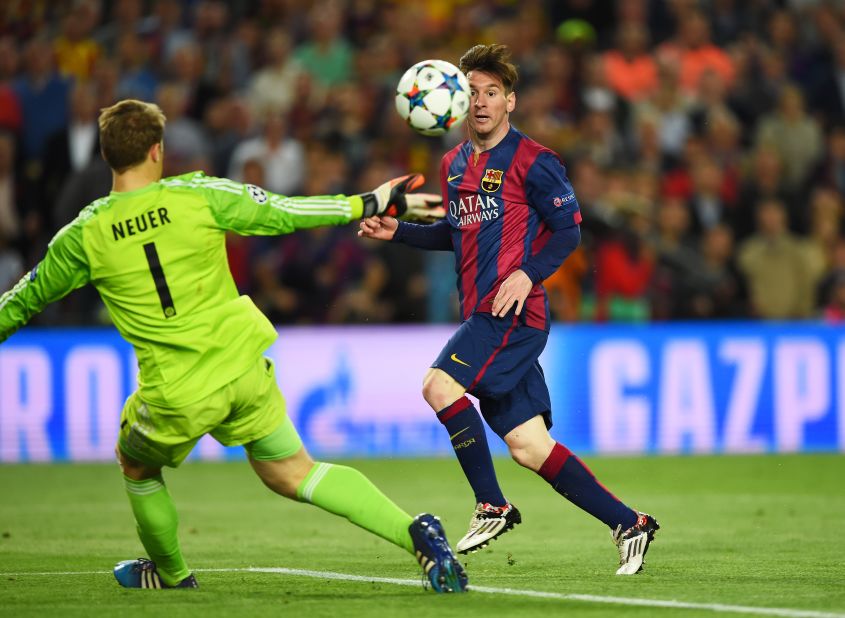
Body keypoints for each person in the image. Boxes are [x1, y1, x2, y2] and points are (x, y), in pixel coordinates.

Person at [0, 99, 466, 593]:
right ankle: (413, 531)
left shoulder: (84, 235)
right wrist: (367, 202)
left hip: (176, 390)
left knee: (136, 464)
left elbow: (23, 300)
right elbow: (285, 213)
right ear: (158, 150)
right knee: (295, 472)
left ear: (107, 154)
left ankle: (173, 574)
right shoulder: (199, 194)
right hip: (243, 365)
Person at [359, 44, 659, 575]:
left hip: (513, 313)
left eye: (491, 92)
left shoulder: (535, 162)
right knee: (528, 445)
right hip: (482, 313)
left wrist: (527, 273)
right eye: (472, 92)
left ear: (510, 101)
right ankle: (628, 523)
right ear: (456, 101)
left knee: (438, 386)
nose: (481, 102)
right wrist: (398, 231)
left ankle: (492, 505)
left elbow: (568, 231)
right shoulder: (454, 164)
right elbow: (455, 235)